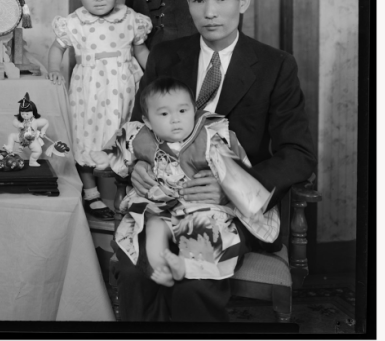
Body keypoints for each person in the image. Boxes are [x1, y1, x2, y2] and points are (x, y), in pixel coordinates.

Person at [113, 0, 317, 321]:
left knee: (193, 280)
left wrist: (230, 187)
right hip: (163, 200)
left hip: (230, 210)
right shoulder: (165, 56)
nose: (210, 12)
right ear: (188, 3)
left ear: (242, 1)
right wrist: (138, 167)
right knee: (136, 273)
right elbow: (138, 127)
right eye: (198, 0)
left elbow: (298, 154)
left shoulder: (275, 65)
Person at [88, 77, 279, 287]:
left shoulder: (208, 138)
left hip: (198, 203)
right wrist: (106, 156)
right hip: (161, 202)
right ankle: (158, 266)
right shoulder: (141, 136)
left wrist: (247, 200)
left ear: (194, 111)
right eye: (164, 114)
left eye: (182, 111)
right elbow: (122, 144)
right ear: (148, 121)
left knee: (201, 226)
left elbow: (234, 172)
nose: (175, 120)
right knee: (153, 226)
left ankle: (188, 266)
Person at [47, 0, 153, 219]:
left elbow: (140, 50)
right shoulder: (74, 21)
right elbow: (57, 48)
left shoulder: (130, 18)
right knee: (85, 134)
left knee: (123, 133)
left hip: (123, 88)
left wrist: (154, 74)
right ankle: (91, 192)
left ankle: (124, 188)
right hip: (88, 90)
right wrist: (54, 69)